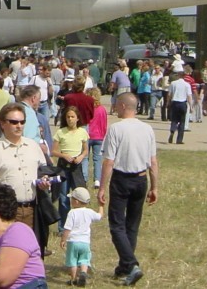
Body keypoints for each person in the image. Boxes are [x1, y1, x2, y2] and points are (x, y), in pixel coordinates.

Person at [98, 92, 158, 286]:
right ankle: (124, 267)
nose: (114, 107)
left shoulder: (116, 129)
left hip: (122, 179)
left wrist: (102, 187)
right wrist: (154, 186)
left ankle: (131, 264)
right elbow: (153, 161)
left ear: (123, 106)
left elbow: (109, 161)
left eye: (116, 104)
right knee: (132, 226)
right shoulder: (147, 128)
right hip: (141, 180)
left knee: (117, 226)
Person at [0, 102, 51, 255]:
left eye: (22, 122)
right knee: (8, 253)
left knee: (30, 253)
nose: (19, 125)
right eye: (14, 122)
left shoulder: (33, 146)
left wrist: (45, 182)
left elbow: (44, 172)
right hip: (6, 214)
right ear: (2, 124)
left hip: (32, 209)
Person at [53, 106, 89, 227]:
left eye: (72, 117)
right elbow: (53, 151)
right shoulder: (60, 132)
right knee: (63, 197)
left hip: (76, 166)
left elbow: (85, 150)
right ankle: (63, 226)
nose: (70, 119)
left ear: (77, 118)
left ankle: (79, 224)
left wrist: (81, 157)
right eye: (68, 117)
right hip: (63, 167)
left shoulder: (82, 132)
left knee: (79, 194)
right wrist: (63, 155)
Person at [61, 186, 104, 287]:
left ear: (76, 201)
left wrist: (63, 239)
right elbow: (99, 216)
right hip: (85, 242)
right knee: (84, 259)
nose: (71, 200)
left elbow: (67, 228)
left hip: (73, 242)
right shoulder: (89, 212)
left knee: (73, 261)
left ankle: (73, 279)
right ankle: (83, 273)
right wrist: (101, 206)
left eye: (71, 199)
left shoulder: (72, 213)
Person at [167, 71, 191, 144]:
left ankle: (172, 130)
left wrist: (168, 102)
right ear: (184, 76)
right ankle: (179, 139)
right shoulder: (187, 85)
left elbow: (169, 94)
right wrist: (191, 106)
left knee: (174, 119)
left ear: (178, 76)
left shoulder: (173, 83)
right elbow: (189, 96)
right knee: (182, 121)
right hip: (183, 103)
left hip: (175, 102)